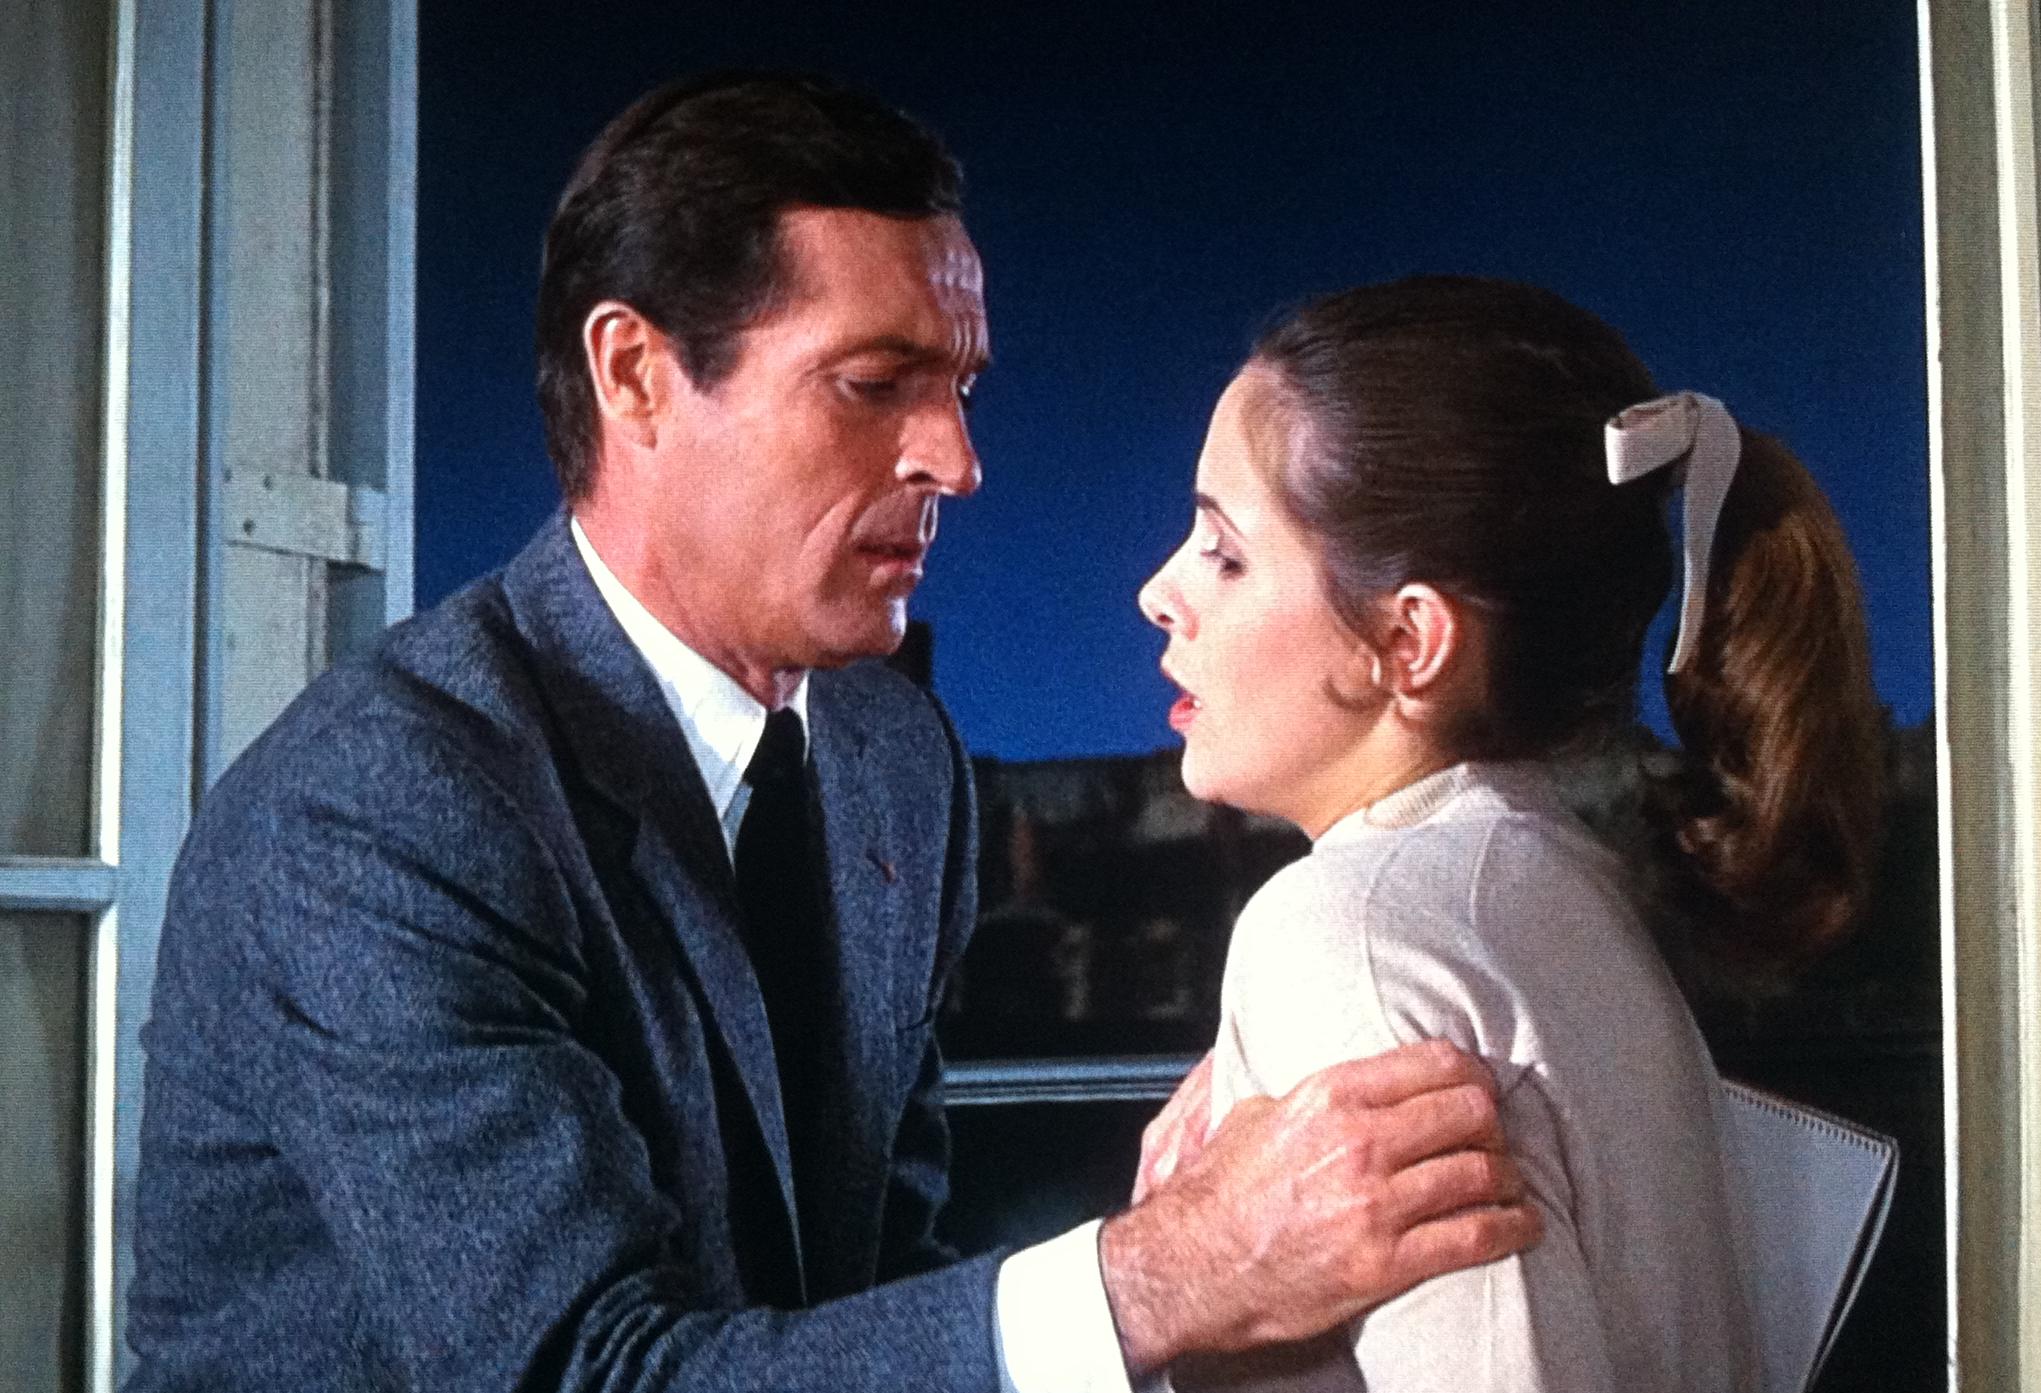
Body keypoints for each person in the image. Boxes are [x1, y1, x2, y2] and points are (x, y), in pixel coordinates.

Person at [122, 75, 1541, 1392]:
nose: (956, 460)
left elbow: (879, 1290)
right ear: (635, 375)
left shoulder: (890, 762)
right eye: (873, 384)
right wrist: (1165, 1273)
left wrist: (1201, 1211)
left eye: (960, 387)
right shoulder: (381, 808)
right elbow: (593, 1372)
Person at [1128, 275, 1884, 1391]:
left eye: (1223, 551)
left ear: (1409, 642)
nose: (1158, 592)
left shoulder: (1352, 929)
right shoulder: (1556, 884)